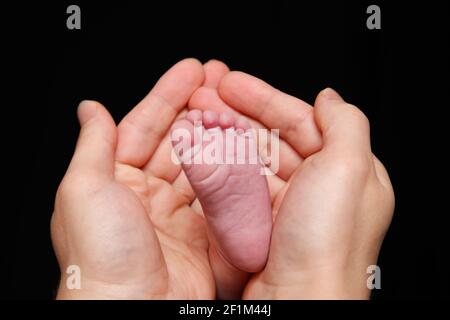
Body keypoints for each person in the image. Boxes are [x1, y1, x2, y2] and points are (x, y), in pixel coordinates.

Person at [51, 58, 394, 299]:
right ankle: (235, 261)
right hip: (274, 285)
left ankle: (230, 260)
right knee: (223, 264)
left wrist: (106, 289)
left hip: (169, 277)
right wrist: (313, 283)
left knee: (217, 263)